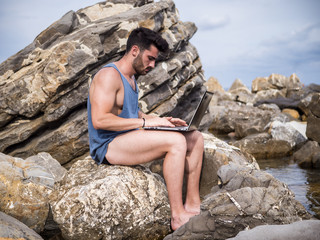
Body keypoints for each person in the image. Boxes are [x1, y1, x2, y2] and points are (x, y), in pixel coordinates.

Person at [87, 27, 204, 231]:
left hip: (128, 137)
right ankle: (177, 216)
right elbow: (100, 120)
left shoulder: (131, 78)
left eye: (154, 60)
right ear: (134, 50)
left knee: (194, 138)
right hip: (107, 146)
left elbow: (132, 113)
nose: (152, 64)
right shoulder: (108, 76)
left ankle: (193, 205)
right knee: (176, 143)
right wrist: (144, 124)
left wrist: (159, 120)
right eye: (150, 58)